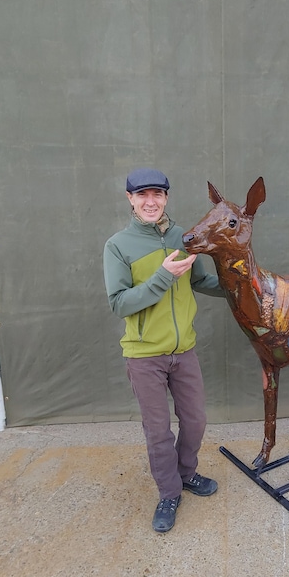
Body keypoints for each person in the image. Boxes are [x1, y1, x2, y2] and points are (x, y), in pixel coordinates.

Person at [103, 168, 225, 533]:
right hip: (144, 356)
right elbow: (120, 303)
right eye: (142, 195)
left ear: (166, 197)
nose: (150, 201)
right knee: (158, 431)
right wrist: (163, 276)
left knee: (196, 421)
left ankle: (186, 474)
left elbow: (201, 280)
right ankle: (169, 492)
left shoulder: (182, 237)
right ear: (130, 199)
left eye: (157, 193)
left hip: (183, 350)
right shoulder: (118, 245)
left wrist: (241, 287)